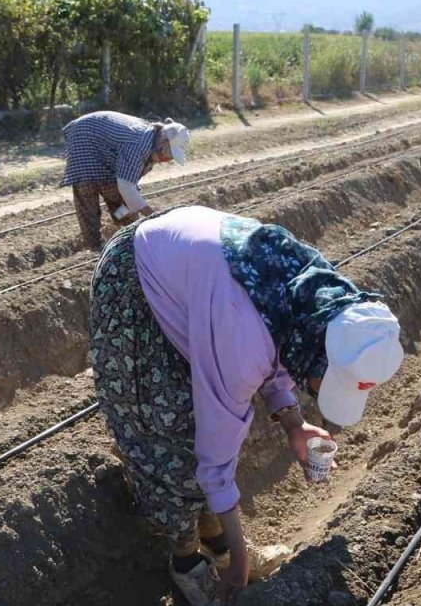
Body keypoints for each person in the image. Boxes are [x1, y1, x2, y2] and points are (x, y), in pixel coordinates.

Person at [89, 205, 404, 605]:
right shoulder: (243, 334)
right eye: (326, 381)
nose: (315, 389)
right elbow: (215, 458)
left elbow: (275, 337)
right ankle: (187, 563)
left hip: (199, 277)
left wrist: (294, 424)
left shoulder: (317, 301)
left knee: (189, 424)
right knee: (168, 434)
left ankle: (218, 544)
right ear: (319, 351)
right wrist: (241, 562)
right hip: (137, 278)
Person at [61, 110, 190, 250]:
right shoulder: (139, 144)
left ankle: (121, 233)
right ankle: (95, 248)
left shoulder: (152, 140)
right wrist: (153, 216)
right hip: (83, 139)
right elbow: (126, 187)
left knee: (122, 202)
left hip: (103, 146)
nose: (165, 161)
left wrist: (123, 215)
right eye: (167, 156)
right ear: (163, 142)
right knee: (89, 196)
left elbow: (128, 190)